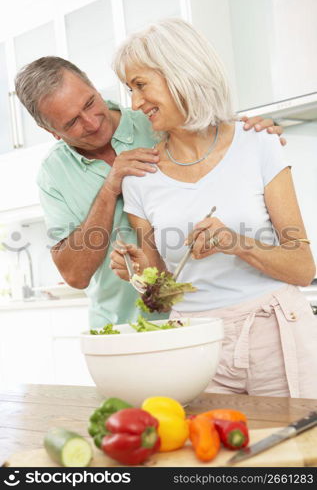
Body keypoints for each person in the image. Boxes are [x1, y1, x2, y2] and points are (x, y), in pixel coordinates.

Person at [110, 18, 317, 398]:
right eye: (130, 89)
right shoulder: (140, 176)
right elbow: (159, 299)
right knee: (207, 456)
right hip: (196, 347)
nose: (135, 103)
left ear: (181, 74)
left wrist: (238, 242)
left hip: (277, 333)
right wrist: (136, 272)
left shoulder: (258, 144)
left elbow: (304, 269)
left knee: (298, 456)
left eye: (141, 85)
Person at [15, 56, 283, 329]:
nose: (92, 123)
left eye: (90, 103)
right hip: (121, 327)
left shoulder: (156, 119)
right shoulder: (53, 174)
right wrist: (109, 189)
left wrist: (253, 133)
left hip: (200, 316)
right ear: (50, 131)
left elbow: (223, 144)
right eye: (72, 123)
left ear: (94, 86)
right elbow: (74, 275)